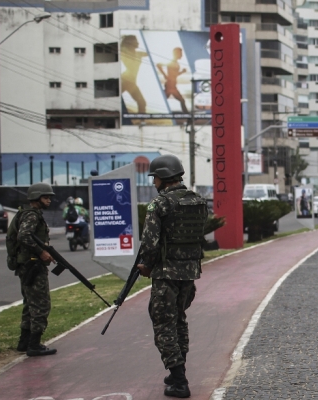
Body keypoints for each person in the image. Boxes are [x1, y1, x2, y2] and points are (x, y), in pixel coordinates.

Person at [136, 154, 209, 398]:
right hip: (189, 273)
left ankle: (179, 381)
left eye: (154, 177)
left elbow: (150, 243)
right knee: (179, 320)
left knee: (163, 323)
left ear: (163, 177)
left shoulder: (160, 205)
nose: (153, 181)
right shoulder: (198, 201)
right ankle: (178, 370)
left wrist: (146, 265)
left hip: (166, 273)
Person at [11, 183, 57, 356]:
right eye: (46, 197)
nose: (49, 200)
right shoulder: (32, 215)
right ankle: (34, 344)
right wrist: (41, 252)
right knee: (41, 304)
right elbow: (23, 236)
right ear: (37, 198)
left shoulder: (30, 214)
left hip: (28, 265)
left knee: (29, 305)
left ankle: (24, 342)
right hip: (33, 265)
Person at [157, 47, 189, 114]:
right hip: (170, 86)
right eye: (180, 53)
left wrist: (182, 72)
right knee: (182, 101)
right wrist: (165, 75)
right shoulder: (171, 62)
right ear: (176, 54)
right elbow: (158, 65)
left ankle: (188, 117)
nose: (181, 55)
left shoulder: (176, 63)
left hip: (172, 86)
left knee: (181, 101)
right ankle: (188, 117)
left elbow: (174, 75)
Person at [121, 35, 148, 114]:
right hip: (124, 80)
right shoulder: (123, 52)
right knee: (142, 102)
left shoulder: (139, 54)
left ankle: (142, 123)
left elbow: (150, 53)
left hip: (131, 82)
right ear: (130, 43)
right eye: (136, 41)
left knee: (142, 103)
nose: (138, 43)